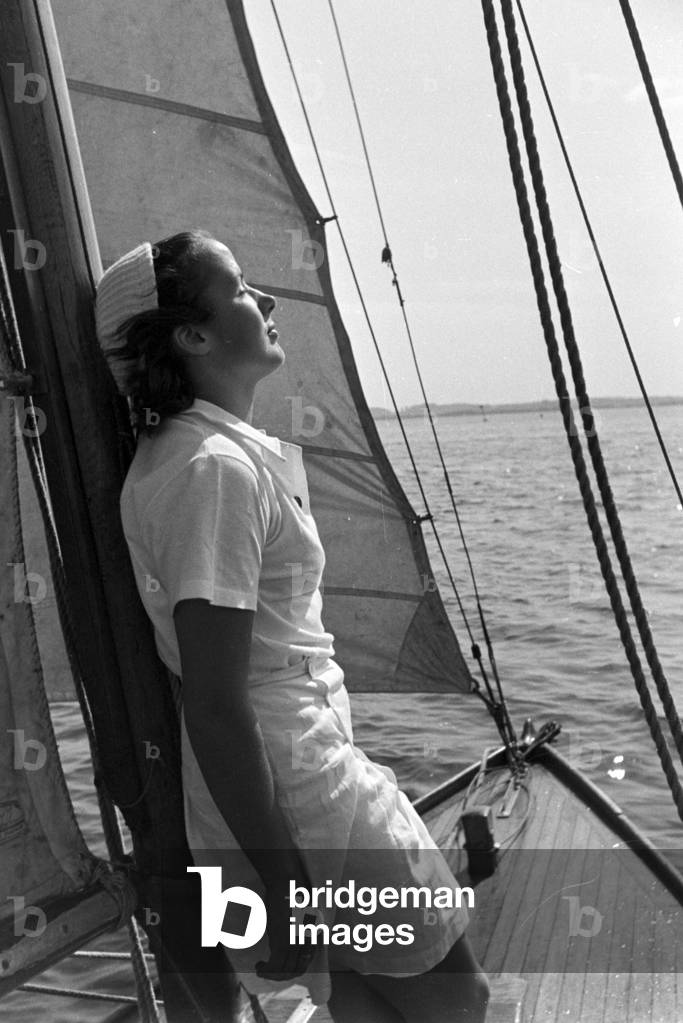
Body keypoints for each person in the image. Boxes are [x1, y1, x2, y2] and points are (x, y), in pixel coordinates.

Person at [95, 229, 489, 1023]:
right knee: (457, 999)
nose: (267, 299)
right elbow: (215, 697)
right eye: (239, 286)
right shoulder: (212, 471)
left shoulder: (199, 456)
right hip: (304, 787)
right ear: (194, 334)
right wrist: (284, 880)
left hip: (291, 777)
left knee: (367, 1004)